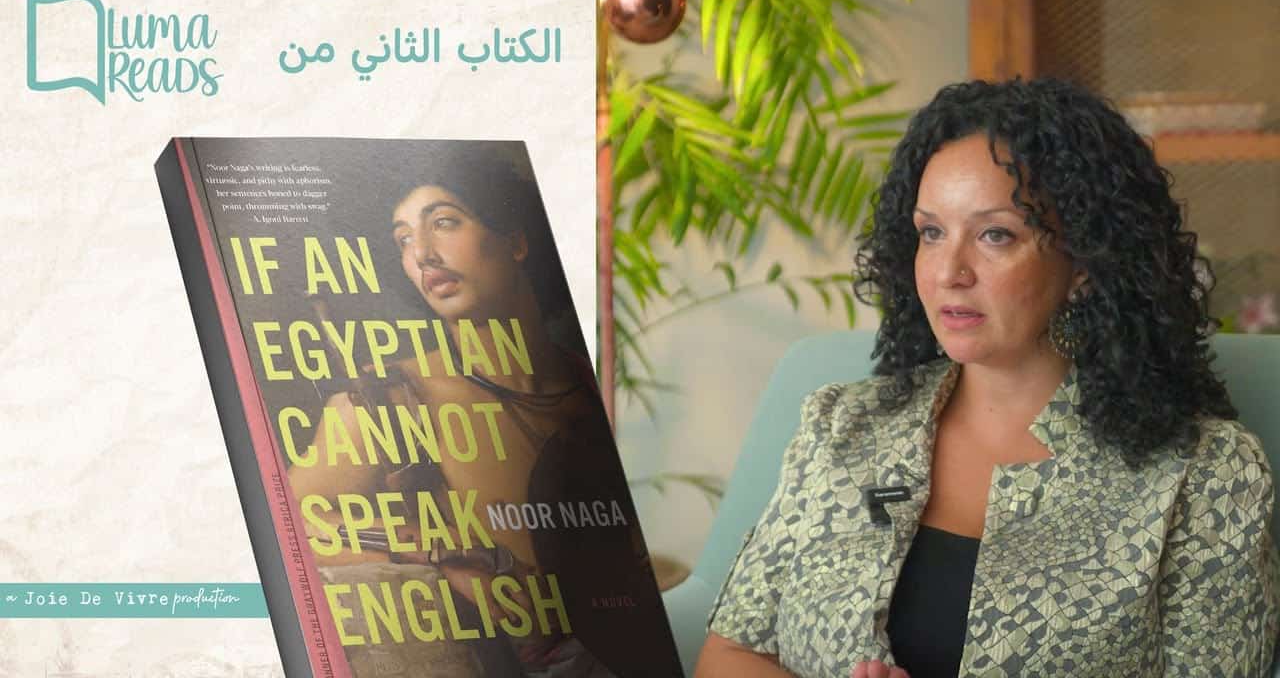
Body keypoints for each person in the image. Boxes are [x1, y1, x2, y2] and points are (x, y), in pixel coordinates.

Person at [695, 78, 1280, 677]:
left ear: (1084, 262)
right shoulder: (841, 424)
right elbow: (729, 654)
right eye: (931, 232)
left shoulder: (1206, 474)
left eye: (995, 234)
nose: (950, 271)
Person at [288, 150, 673, 677]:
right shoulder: (390, 402)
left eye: (444, 222)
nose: (423, 254)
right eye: (403, 239)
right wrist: (441, 553)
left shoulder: (593, 384)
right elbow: (291, 527)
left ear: (516, 241)